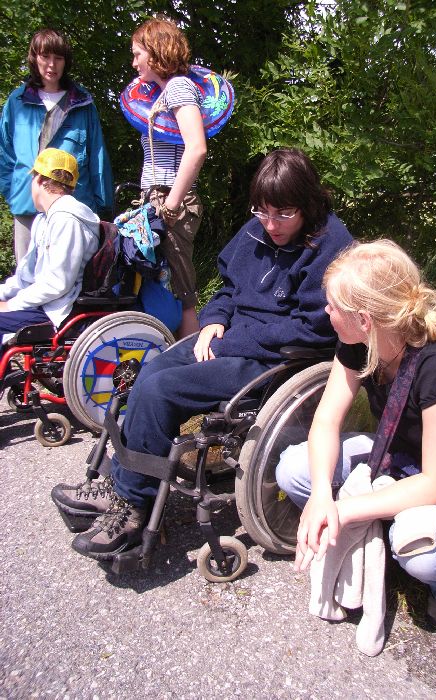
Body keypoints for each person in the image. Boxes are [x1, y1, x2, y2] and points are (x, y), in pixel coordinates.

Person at [51, 148, 353, 559]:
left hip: (271, 359)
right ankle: (120, 482)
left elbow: (313, 328)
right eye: (262, 212)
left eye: (283, 214)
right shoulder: (257, 230)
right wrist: (214, 320)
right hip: (229, 339)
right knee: (148, 373)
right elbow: (228, 288)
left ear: (308, 202)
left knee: (160, 392)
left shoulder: (331, 246)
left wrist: (230, 341)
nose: (270, 224)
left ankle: (132, 507)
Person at [276, 239, 436, 631]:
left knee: (425, 554)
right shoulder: (357, 345)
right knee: (294, 470)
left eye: (333, 305)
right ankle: (379, 538)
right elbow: (326, 421)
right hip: (394, 453)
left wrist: (343, 511)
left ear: (364, 319)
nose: (326, 311)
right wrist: (320, 495)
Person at [0, 28, 112, 262]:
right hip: (27, 208)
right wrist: (14, 192)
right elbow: (5, 153)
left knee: (70, 277)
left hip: (72, 210)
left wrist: (103, 208)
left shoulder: (82, 103)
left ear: (65, 61)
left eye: (58, 58)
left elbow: (97, 158)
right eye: (45, 56)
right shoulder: (16, 102)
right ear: (34, 58)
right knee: (26, 276)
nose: (52, 64)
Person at [130, 17, 207, 337]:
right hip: (159, 197)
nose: (134, 63)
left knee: (182, 291)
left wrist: (171, 205)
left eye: (138, 54)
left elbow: (197, 148)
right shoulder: (163, 92)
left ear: (156, 51)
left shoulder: (178, 87)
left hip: (171, 198)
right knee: (165, 285)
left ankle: (191, 360)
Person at [0, 148, 100, 354]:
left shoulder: (67, 220)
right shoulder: (44, 219)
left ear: (39, 180)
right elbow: (26, 277)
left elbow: (58, 283)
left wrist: (11, 305)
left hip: (57, 312)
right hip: (44, 304)